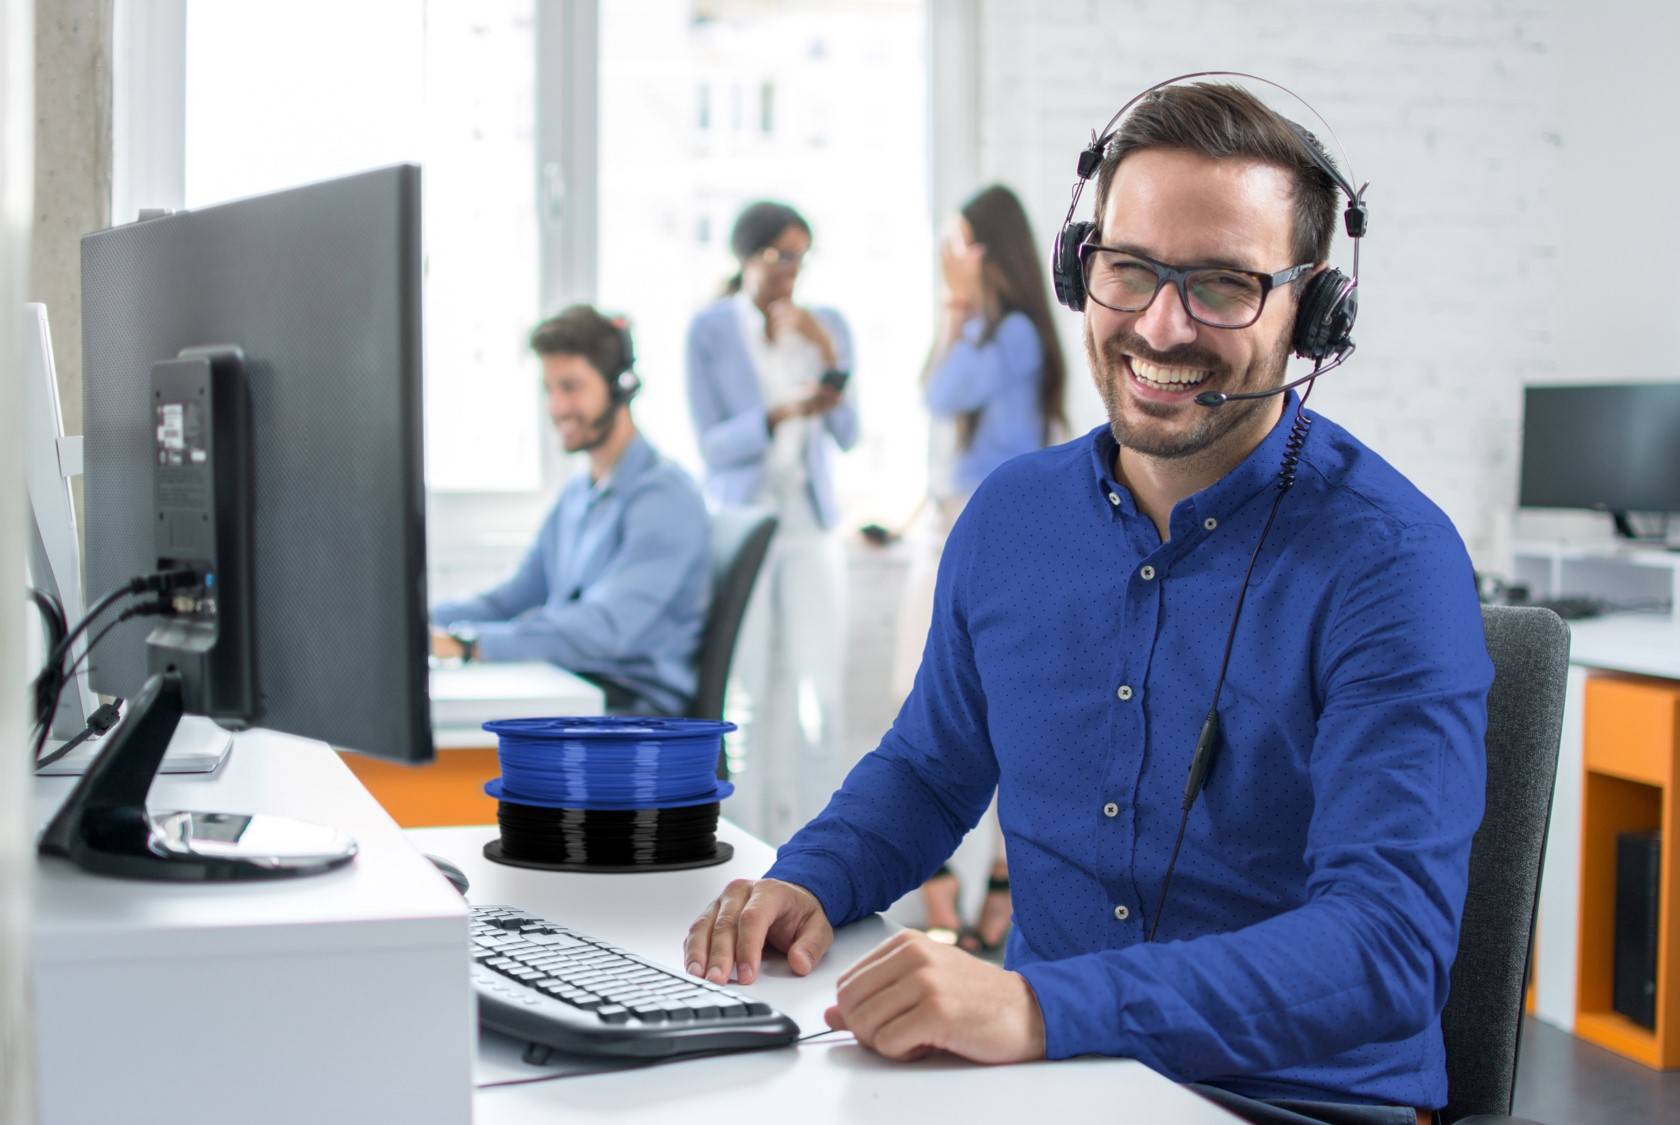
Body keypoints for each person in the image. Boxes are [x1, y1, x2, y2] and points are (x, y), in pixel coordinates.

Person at [682, 81, 1490, 1125]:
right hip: (1047, 1088)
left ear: (1311, 311)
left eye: (1222, 285)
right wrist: (811, 881)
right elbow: (930, 771)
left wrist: (1034, 1009)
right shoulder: (1010, 517)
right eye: (1129, 270)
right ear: (1079, 270)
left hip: (1289, 1104)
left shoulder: (1390, 562)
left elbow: (1386, 946)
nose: (1161, 324)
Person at [904, 183, 1066, 955]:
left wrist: (955, 310)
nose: (953, 260)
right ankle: (959, 893)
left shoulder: (1017, 338)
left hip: (984, 535)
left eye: (963, 244)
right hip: (951, 525)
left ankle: (978, 895)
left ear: (991, 251)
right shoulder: (995, 333)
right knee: (932, 715)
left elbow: (940, 391)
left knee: (981, 716)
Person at [432, 306, 710, 716]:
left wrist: (469, 644)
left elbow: (604, 628)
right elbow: (511, 599)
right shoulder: (579, 493)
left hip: (634, 717)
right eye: (550, 389)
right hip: (578, 692)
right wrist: (418, 623)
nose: (558, 407)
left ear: (621, 386)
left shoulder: (665, 497)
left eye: (571, 387)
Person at [685, 201, 858, 844]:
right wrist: (780, 413)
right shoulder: (709, 330)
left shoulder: (826, 324)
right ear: (745, 256)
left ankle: (826, 856)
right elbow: (712, 444)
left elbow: (847, 430)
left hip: (808, 525)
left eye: (799, 258)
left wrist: (825, 351)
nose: (790, 271)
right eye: (778, 256)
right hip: (744, 525)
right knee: (746, 701)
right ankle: (745, 852)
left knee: (821, 702)